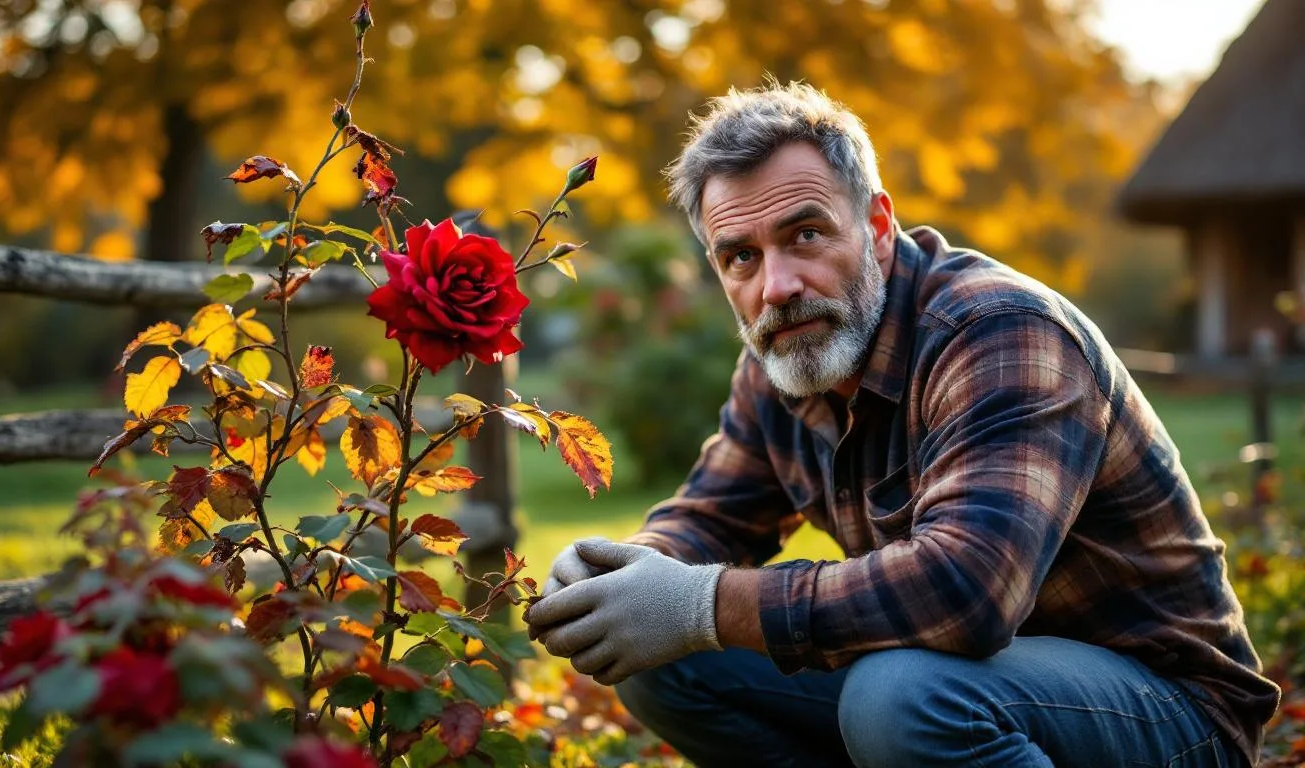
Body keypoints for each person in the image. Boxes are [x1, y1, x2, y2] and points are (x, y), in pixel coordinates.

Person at [522, 82, 1280, 768]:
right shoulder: (788, 355)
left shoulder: (1000, 331)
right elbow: (711, 516)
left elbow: (966, 592)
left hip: (1168, 712)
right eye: (741, 258)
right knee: (665, 659)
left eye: (806, 236)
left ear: (879, 226)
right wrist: (624, 573)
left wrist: (698, 604)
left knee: (901, 698)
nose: (776, 286)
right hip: (976, 683)